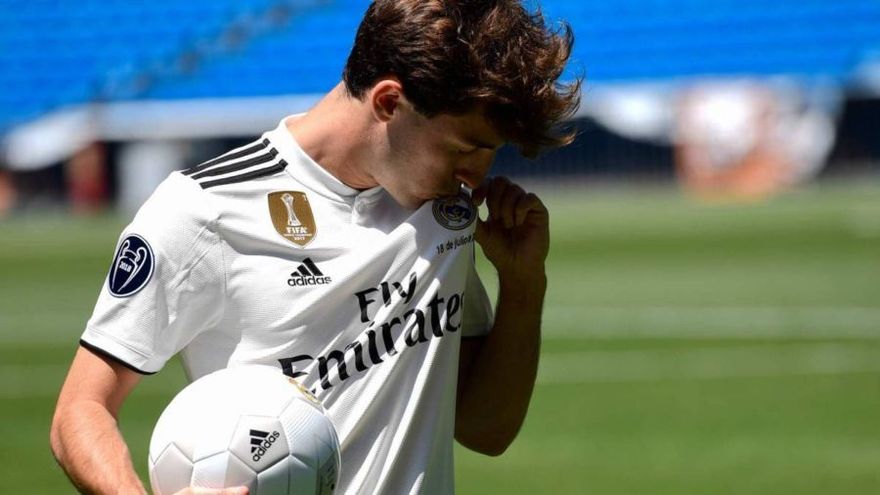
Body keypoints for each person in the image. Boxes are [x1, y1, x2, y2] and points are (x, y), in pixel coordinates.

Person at [50, 1, 581, 493]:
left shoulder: (444, 215)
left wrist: (522, 283)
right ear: (389, 102)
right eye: (465, 148)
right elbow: (80, 410)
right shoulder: (204, 210)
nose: (476, 176)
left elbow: (486, 430)